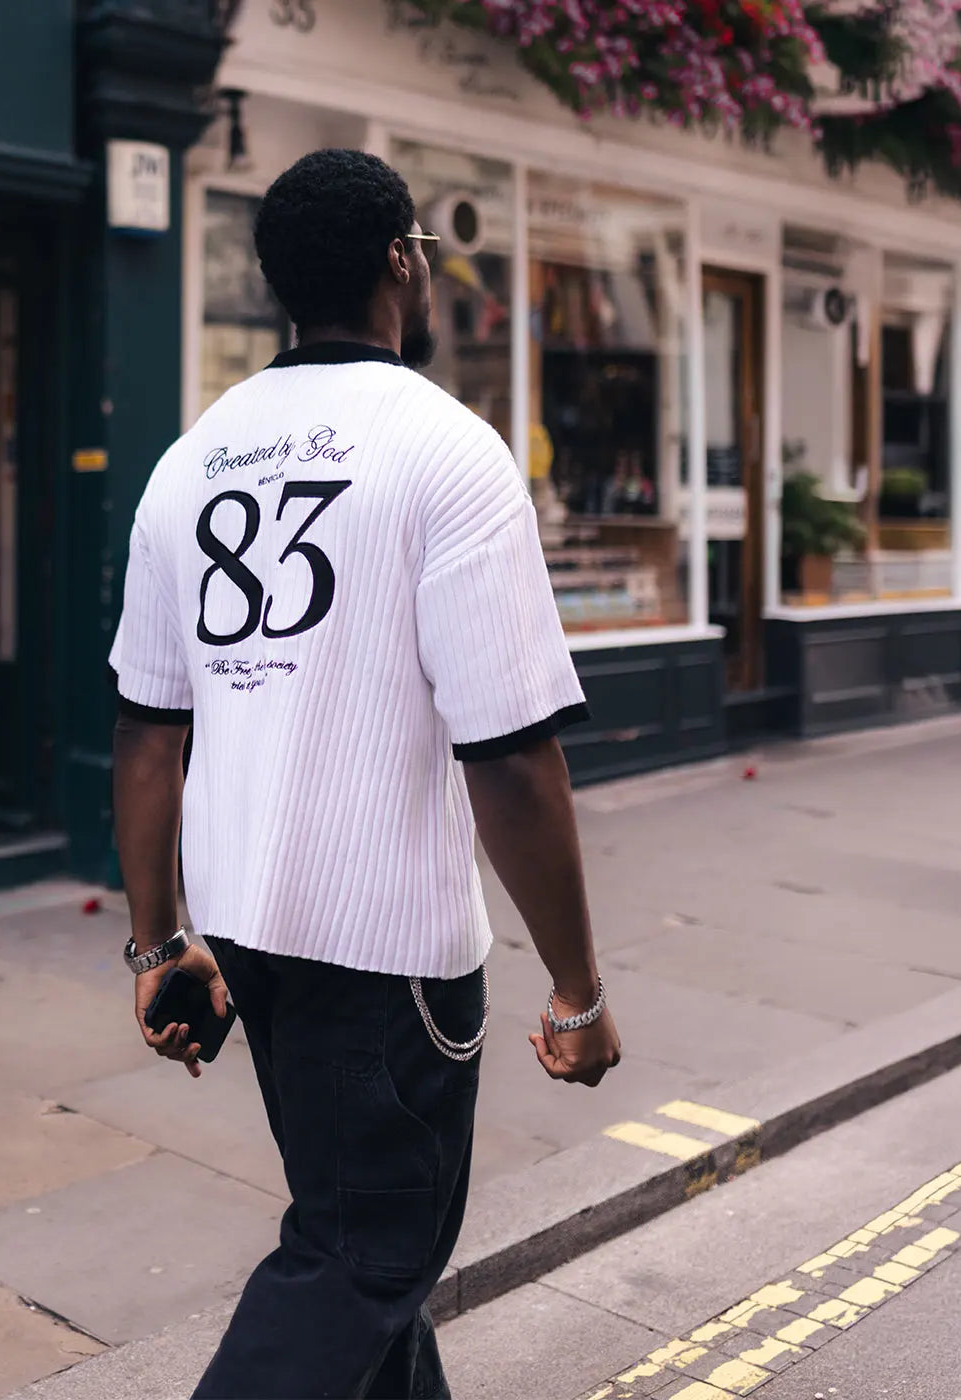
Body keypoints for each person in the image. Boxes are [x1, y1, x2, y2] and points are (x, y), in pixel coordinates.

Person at [110, 148, 621, 1400]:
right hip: (389, 951)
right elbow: (507, 752)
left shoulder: (189, 464)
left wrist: (156, 943)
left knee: (360, 1239)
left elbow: (145, 732)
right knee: (361, 1253)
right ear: (399, 260)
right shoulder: (446, 452)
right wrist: (574, 985)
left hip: (250, 942)